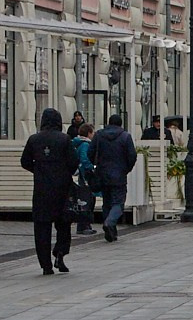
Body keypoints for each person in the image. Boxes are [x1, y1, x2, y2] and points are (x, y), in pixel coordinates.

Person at [22, 107, 80, 274]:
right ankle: (60, 253)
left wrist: (39, 169)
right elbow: (74, 161)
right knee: (63, 223)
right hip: (62, 188)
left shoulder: (34, 140)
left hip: (41, 188)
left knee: (42, 226)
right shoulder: (64, 139)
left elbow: (25, 161)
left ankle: (45, 264)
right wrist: (62, 171)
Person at [92, 111, 136, 240]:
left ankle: (111, 233)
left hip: (102, 173)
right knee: (118, 202)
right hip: (119, 175)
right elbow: (132, 156)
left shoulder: (99, 135)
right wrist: (126, 169)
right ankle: (110, 223)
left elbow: (91, 152)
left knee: (107, 202)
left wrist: (97, 165)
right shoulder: (125, 137)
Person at [68, 114, 97, 233]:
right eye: (93, 132)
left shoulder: (79, 144)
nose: (94, 134)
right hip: (86, 176)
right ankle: (84, 225)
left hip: (82, 175)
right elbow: (85, 159)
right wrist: (93, 168)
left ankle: (85, 225)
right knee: (86, 199)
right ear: (89, 133)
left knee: (85, 198)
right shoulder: (85, 145)